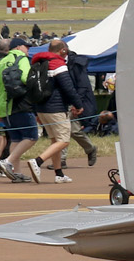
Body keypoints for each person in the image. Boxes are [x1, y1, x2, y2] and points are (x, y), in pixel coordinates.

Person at [30, 40, 91, 183]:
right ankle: (37, 161)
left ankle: (59, 174)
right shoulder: (58, 64)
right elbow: (68, 87)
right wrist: (78, 104)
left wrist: (35, 110)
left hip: (41, 108)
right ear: (62, 50)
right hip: (56, 108)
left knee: (55, 140)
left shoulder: (38, 63)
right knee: (63, 140)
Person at [0, 38, 38, 183]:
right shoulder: (22, 58)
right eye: (26, 47)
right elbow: (26, 78)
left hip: (4, 107)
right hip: (20, 104)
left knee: (16, 138)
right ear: (18, 47)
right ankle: (7, 161)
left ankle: (16, 172)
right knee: (31, 136)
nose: (28, 50)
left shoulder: (1, 63)